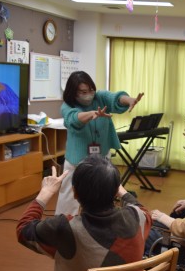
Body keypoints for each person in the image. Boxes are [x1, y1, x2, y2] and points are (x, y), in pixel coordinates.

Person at [17, 155, 151, 271]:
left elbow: (23, 230)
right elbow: (139, 206)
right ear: (115, 191)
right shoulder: (137, 218)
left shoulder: (65, 228)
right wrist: (120, 190)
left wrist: (45, 193)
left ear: (75, 192)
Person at [56, 70, 145, 216]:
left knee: (101, 194)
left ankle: (98, 222)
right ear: (73, 92)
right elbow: (72, 119)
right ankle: (63, 224)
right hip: (77, 160)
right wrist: (91, 114)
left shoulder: (100, 97)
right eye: (83, 92)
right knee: (69, 196)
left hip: (101, 157)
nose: (89, 94)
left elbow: (115, 98)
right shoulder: (67, 105)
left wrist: (129, 100)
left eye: (91, 90)